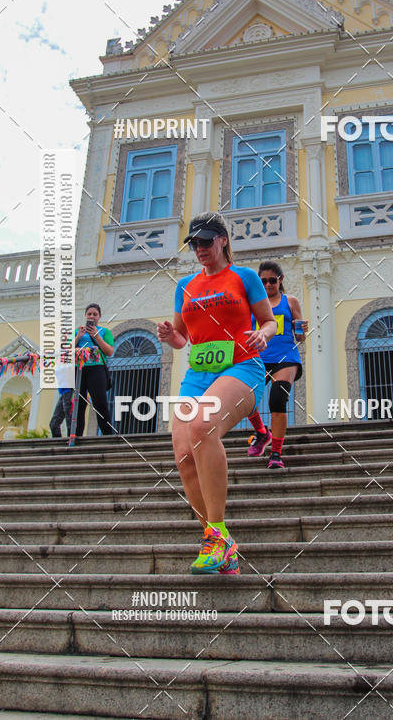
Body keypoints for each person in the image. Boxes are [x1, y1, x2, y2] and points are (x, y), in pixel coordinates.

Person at [158, 212, 276, 575]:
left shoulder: (245, 277)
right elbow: (183, 338)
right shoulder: (185, 287)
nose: (200, 249)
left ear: (223, 240)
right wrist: (169, 336)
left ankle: (219, 534)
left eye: (206, 242)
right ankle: (217, 543)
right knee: (182, 453)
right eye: (194, 244)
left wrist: (264, 334)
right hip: (198, 373)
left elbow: (269, 320)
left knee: (203, 425)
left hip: (241, 367)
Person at [245, 260, 307, 468]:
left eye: (272, 280)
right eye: (263, 281)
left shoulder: (290, 301)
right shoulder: (252, 304)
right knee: (246, 400)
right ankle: (262, 433)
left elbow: (300, 337)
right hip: (258, 359)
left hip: (286, 358)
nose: (268, 285)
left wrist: (302, 330)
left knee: (278, 399)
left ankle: (276, 454)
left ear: (281, 280)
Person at [73, 304, 115, 437]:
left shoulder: (104, 331)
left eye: (95, 314)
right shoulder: (77, 331)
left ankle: (107, 435)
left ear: (99, 317)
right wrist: (78, 336)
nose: (92, 316)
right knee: (78, 404)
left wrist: (96, 336)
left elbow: (109, 351)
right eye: (89, 314)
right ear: (85, 316)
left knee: (100, 402)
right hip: (79, 369)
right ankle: (75, 435)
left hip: (97, 369)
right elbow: (68, 351)